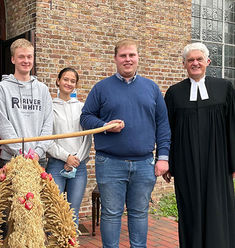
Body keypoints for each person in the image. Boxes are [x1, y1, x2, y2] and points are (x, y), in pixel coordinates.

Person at [80, 39, 171, 248]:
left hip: (144, 164)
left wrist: (163, 157)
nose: (128, 59)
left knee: (139, 214)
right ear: (115, 59)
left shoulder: (152, 88)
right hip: (110, 163)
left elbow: (163, 125)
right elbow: (85, 118)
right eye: (123, 56)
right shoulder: (101, 88)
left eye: (132, 55)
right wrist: (105, 125)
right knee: (111, 214)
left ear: (138, 58)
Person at [163, 42, 235, 248]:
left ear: (207, 62)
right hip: (187, 163)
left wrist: (233, 162)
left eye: (199, 59)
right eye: (190, 60)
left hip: (218, 162)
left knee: (218, 208)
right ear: (184, 64)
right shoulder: (175, 93)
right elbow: (168, 129)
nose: (195, 63)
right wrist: (168, 160)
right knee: (191, 208)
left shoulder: (224, 89)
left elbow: (232, 125)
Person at [0, 38, 53, 168]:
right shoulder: (2, 88)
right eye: (21, 57)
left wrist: (37, 153)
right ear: (13, 59)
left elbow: (48, 124)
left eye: (29, 57)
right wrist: (21, 153)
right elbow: (3, 125)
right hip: (11, 158)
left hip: (39, 159)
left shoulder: (43, 89)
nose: (26, 61)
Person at [46, 68, 92, 227]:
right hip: (56, 165)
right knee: (54, 212)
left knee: (72, 214)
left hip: (78, 167)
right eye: (65, 79)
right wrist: (66, 157)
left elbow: (87, 136)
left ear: (76, 84)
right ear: (58, 81)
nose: (69, 83)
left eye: (73, 81)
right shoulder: (49, 106)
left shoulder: (83, 107)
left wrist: (75, 159)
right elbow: (47, 138)